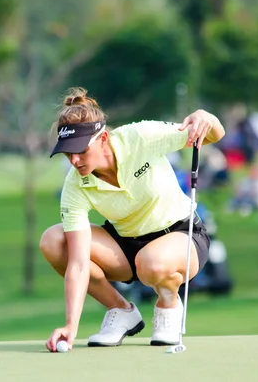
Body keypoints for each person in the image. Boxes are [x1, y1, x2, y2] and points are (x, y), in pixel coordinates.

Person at [40, 88, 225, 352]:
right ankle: (121, 310)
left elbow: (214, 135)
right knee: (54, 241)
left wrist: (206, 117)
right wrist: (71, 325)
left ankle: (168, 303)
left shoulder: (139, 137)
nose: (75, 160)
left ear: (103, 138)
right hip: (126, 245)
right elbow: (79, 264)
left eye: (80, 150)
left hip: (182, 236)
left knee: (152, 262)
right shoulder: (75, 184)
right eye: (68, 153)